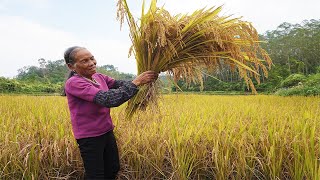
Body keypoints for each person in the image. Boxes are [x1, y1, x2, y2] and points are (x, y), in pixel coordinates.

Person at [63, 46, 158, 180]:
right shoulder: (74, 83)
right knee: (96, 175)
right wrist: (137, 82)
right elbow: (108, 99)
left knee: (113, 168)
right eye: (84, 61)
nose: (91, 63)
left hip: (106, 131)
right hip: (89, 137)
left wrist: (145, 80)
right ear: (71, 66)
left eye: (92, 58)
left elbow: (120, 84)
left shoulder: (98, 77)